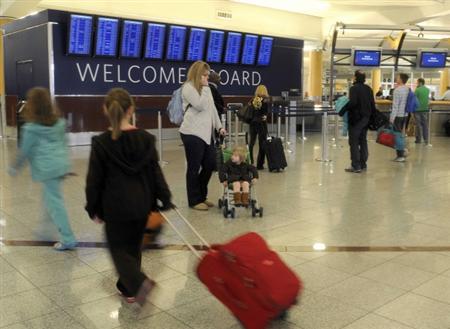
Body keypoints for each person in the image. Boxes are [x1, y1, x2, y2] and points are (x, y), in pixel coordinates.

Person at [85, 88, 173, 306]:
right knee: (133, 247)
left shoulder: (102, 143)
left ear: (106, 110)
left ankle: (138, 283)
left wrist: (92, 208)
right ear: (131, 109)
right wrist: (165, 197)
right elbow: (155, 172)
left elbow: (93, 181)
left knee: (118, 249)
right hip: (142, 204)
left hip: (115, 207)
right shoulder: (146, 139)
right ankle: (127, 288)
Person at [8, 87, 77, 251]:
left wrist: (14, 168)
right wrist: (66, 165)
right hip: (60, 166)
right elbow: (64, 144)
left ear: (32, 106)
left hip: (48, 169)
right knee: (50, 198)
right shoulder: (59, 123)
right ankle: (45, 229)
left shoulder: (30, 128)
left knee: (55, 202)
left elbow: (25, 151)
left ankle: (68, 238)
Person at [180, 61, 226, 211]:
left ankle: (201, 196)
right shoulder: (188, 87)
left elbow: (212, 109)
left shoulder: (206, 89)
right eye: (204, 75)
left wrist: (219, 126)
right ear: (197, 74)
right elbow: (199, 105)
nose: (207, 78)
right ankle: (194, 200)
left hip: (206, 134)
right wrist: (206, 88)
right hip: (192, 132)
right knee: (193, 167)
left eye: (207, 75)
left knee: (209, 165)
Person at [342, 70, 375, 173]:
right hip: (366, 118)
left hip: (356, 119)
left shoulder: (353, 89)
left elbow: (353, 103)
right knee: (363, 140)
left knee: (354, 142)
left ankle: (356, 166)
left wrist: (342, 110)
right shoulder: (368, 89)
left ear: (355, 78)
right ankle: (363, 163)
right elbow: (372, 105)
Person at [249, 85, 270, 170]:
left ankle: (250, 161)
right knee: (262, 144)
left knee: (251, 143)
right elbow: (264, 115)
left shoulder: (252, 100)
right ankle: (259, 164)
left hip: (252, 123)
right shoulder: (264, 101)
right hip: (261, 124)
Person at [391, 73, 409, 162]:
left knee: (397, 135)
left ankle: (400, 155)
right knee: (401, 134)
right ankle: (403, 151)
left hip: (398, 115)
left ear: (401, 79)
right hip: (405, 115)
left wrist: (391, 118)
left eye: (397, 77)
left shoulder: (397, 90)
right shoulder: (408, 89)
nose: (396, 78)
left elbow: (395, 106)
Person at [414, 78, 430, 144]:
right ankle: (426, 139)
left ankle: (418, 140)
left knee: (418, 125)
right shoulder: (427, 90)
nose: (416, 84)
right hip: (425, 109)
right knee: (425, 125)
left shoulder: (417, 90)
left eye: (417, 82)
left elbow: (414, 99)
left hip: (417, 110)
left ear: (420, 83)